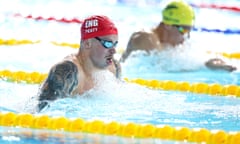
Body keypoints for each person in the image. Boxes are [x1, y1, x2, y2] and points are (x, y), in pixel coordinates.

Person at [120, 0, 236, 72]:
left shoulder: (167, 44)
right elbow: (163, 66)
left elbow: (184, 61)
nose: (186, 37)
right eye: (184, 30)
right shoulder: (146, 38)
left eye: (189, 31)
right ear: (169, 25)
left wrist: (210, 63)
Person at [36, 15, 121, 112]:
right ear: (87, 43)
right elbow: (41, 113)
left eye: (115, 44)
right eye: (108, 44)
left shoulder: (114, 68)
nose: (114, 51)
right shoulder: (67, 72)